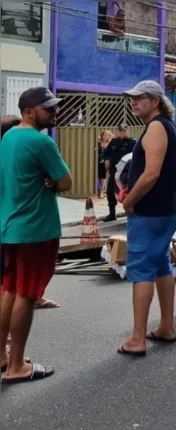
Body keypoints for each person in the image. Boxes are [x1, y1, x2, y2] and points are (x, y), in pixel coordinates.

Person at [0, 87, 71, 383]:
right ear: (29, 111)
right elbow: (66, 182)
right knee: (27, 295)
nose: (54, 113)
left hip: (10, 226)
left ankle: (2, 356)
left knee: (9, 290)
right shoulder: (41, 142)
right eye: (48, 108)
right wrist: (51, 181)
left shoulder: (8, 137)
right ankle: (17, 366)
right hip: (36, 230)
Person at [117, 81, 176, 356]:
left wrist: (130, 201)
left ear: (155, 101)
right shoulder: (169, 126)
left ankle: (136, 339)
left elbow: (151, 174)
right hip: (166, 209)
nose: (134, 102)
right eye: (132, 98)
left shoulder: (157, 127)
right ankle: (166, 326)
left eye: (139, 98)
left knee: (142, 269)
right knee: (161, 267)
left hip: (151, 211)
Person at [0, 115, 60, 311]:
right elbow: (66, 181)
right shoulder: (15, 153)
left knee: (13, 280)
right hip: (19, 226)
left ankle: (35, 298)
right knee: (11, 284)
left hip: (11, 225)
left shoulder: (12, 154)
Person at [103, 124, 135, 221]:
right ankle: (112, 213)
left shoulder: (132, 142)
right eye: (120, 131)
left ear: (128, 131)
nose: (122, 132)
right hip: (114, 171)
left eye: (124, 131)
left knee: (127, 193)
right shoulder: (113, 142)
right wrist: (107, 160)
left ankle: (129, 211)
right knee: (110, 192)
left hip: (126, 173)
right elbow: (106, 154)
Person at [97, 130, 113, 199]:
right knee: (97, 176)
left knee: (103, 177)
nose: (105, 136)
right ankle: (100, 190)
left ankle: (101, 192)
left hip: (104, 162)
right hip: (96, 161)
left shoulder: (110, 144)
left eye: (106, 135)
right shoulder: (98, 143)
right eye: (104, 135)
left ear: (109, 136)